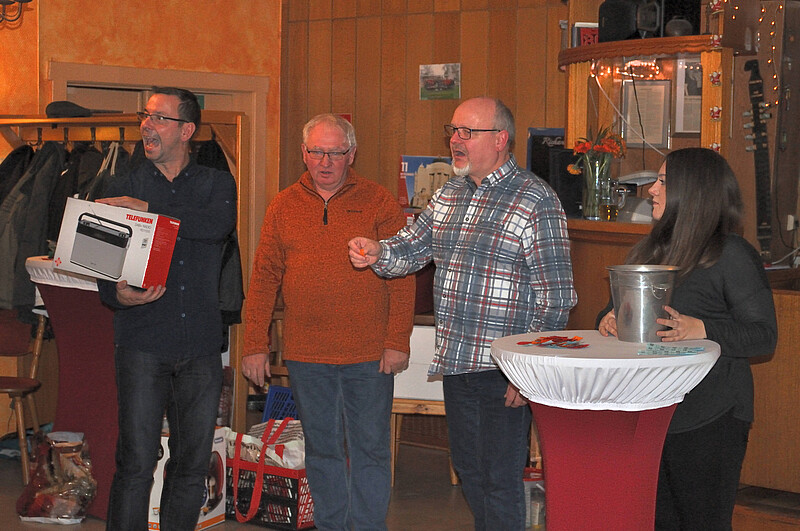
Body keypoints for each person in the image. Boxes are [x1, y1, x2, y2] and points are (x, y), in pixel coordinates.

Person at [349, 97, 577, 531]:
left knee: (499, 481)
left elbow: (557, 296)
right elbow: (410, 248)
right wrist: (377, 251)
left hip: (504, 369)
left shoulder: (535, 200)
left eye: (467, 132)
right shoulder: (449, 194)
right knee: (470, 471)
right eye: (452, 131)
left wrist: (527, 372)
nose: (455, 140)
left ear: (500, 139)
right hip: (457, 362)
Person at [241, 113, 416, 531]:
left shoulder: (378, 202)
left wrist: (397, 340)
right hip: (306, 354)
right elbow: (264, 278)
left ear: (351, 154)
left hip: (369, 355)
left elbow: (403, 274)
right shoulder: (283, 205)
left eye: (335, 153)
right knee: (321, 451)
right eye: (317, 152)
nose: (325, 162)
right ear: (304, 153)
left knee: (370, 450)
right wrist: (254, 344)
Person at [596, 148, 777, 530]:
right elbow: (611, 310)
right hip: (654, 410)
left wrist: (703, 329)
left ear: (692, 192)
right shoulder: (653, 248)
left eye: (663, 182)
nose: (651, 190)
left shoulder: (731, 254)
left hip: (711, 415)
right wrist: (609, 320)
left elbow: (764, 336)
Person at [96, 87, 237, 530]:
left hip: (199, 347)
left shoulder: (215, 184)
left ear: (187, 130)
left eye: (159, 118)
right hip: (141, 341)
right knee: (136, 462)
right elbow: (102, 264)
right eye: (146, 116)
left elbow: (212, 226)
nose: (147, 125)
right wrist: (117, 294)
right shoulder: (121, 186)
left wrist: (148, 210)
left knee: (192, 465)